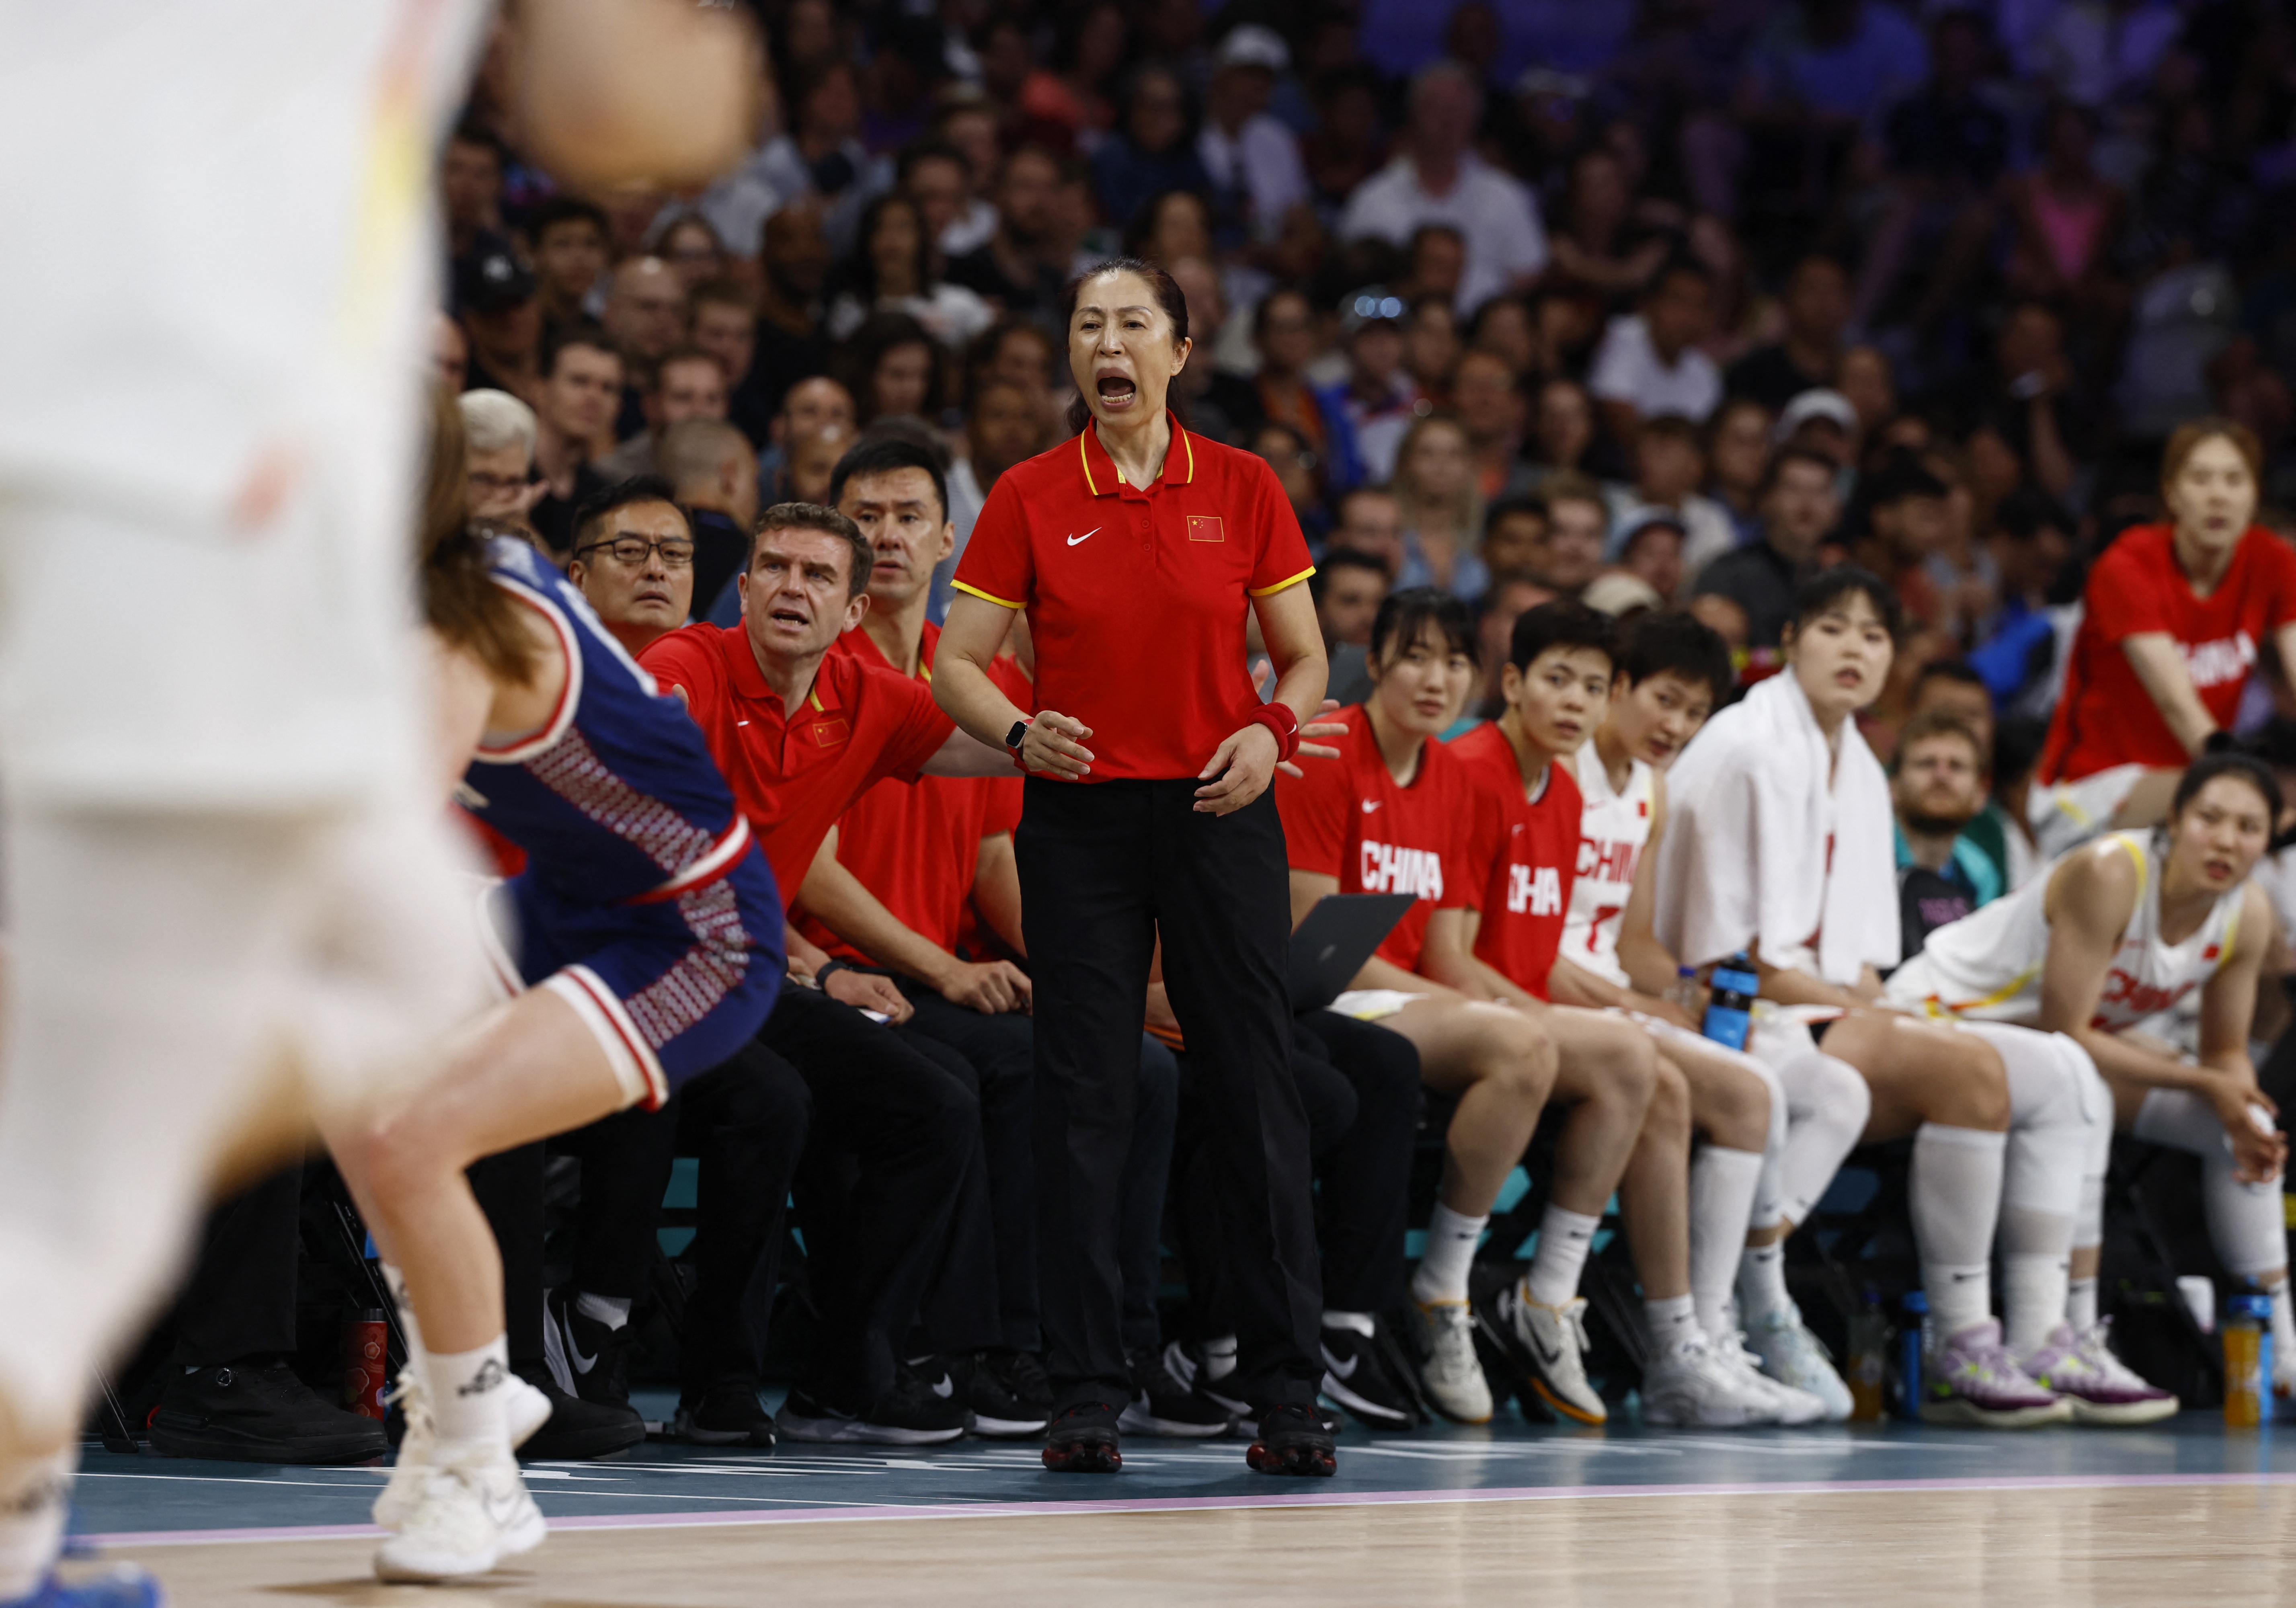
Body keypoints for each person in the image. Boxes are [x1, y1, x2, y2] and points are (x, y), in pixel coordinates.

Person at [0, 1, 760, 1598]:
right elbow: (623, 107)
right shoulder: (378, 588)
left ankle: (467, 1447)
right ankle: (461, 1425)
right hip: (554, 902)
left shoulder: (453, 635)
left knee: (393, 1114)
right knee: (365, 1099)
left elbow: (376, 827)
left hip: (687, 928)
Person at [931, 257, 1340, 1478]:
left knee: (1257, 1090)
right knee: (1085, 1098)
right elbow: (957, 664)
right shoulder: (1027, 492)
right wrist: (1017, 732)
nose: (1106, 345)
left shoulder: (1245, 483)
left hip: (1221, 807)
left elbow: (1304, 658)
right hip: (1081, 820)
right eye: (1086, 326)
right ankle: (1084, 1389)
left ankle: (1287, 1392)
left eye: (1131, 325)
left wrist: (1271, 733)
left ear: (1177, 351)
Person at [640, 502, 1028, 1447]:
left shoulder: (865, 698)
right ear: (742, 589)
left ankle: (842, 1376)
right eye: (774, 568)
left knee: (935, 1104)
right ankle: (718, 1386)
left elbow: (990, 745)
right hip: (642, 974)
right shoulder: (690, 665)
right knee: (774, 1102)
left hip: (746, 984)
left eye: (817, 575)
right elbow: (645, 729)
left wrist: (1112, 737)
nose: (791, 587)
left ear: (852, 610)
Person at [1655, 568, 2079, 1428]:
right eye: (1832, 628)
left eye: (1873, 635)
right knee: (1966, 1074)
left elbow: (1857, 956)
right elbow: (1723, 954)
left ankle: (2043, 1331)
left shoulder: (1855, 761)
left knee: (2061, 1071)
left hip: (1805, 1001)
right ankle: (1953, 1338)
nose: (1853, 648)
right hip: (1720, 999)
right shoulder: (1744, 745)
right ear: (1787, 643)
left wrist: (1866, 1001)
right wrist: (1862, 1007)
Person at [1274, 588, 1657, 1430]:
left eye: (1453, 662)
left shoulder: (1448, 776)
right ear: (1375, 663)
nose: (1434, 679)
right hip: (1329, 995)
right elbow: (1314, 938)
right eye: (1415, 657)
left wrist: (1482, 1002)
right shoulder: (1332, 753)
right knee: (1519, 1046)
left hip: (1409, 995)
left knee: (1627, 1057)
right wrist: (1482, 1010)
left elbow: (1448, 949)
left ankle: (1540, 1295)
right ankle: (1442, 1291)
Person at [1454, 604, 1823, 1426]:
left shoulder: (1649, 791)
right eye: (1663, 700)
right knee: (1725, 1092)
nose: (1674, 726)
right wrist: (1636, 1005)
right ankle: (1682, 1339)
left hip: (1604, 995)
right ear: (1618, 689)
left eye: (1694, 712)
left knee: (1755, 1080)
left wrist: (1688, 989)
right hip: (1546, 994)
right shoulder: (1558, 767)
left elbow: (1636, 944)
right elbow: (1526, 939)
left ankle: (1706, 1335)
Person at [1887, 755, 2292, 1415]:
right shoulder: (2111, 872)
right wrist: (2207, 1083)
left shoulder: (2247, 913)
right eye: (2209, 819)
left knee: (2246, 1126)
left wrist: (2236, 1103)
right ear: (2174, 820)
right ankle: (2064, 1338)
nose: (2225, 841)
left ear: (2268, 841)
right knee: (2081, 1087)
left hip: (2048, 1053)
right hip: (1939, 1016)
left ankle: (2282, 1353)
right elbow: (2067, 1028)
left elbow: (2224, 1053)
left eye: (2248, 828)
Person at [2039, 421, 2296, 841]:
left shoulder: (2272, 560)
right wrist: (2248, 793)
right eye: (2200, 479)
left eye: (2234, 480)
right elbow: (2177, 705)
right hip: (2088, 792)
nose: (2217, 495)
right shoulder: (2126, 566)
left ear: (2255, 494)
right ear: (2171, 494)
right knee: (2239, 816)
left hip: (2196, 790)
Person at [1338, 60, 1549, 315]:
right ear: (1413, 114)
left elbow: (1529, 276)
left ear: (1475, 119)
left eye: (1458, 110)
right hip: (1397, 328)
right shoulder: (1372, 199)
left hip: (1484, 331)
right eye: (1437, 108)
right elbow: (1355, 286)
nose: (1448, 121)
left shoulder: (1508, 197)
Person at [1693, 446, 1840, 649]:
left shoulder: (1841, 581)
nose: (1807, 503)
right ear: (1766, 499)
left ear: (1836, 507)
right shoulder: (1727, 574)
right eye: (1793, 489)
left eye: (1820, 491)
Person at [1892, 708, 2001, 956]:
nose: (1941, 776)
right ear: (1893, 787)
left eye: (1957, 766)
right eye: (1926, 764)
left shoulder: (1980, 871)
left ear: (1981, 795)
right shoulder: (1865, 854)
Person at [825, 191, 995, 349]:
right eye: (879, 227)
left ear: (922, 238)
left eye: (902, 227)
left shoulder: (959, 305)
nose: (891, 239)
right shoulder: (850, 310)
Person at [1588, 260, 1722, 449]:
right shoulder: (1623, 335)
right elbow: (1617, 414)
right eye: (1678, 301)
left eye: (1697, 306)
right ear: (1650, 303)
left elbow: (1706, 442)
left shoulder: (1705, 371)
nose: (1686, 316)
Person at [528, 324, 622, 556]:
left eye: (608, 388)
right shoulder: (503, 481)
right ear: (540, 389)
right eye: (580, 381)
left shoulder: (606, 499)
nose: (594, 397)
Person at [595, 348, 727, 482]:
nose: (700, 412)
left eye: (712, 399)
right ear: (651, 406)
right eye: (683, 398)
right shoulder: (612, 476)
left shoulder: (736, 467)